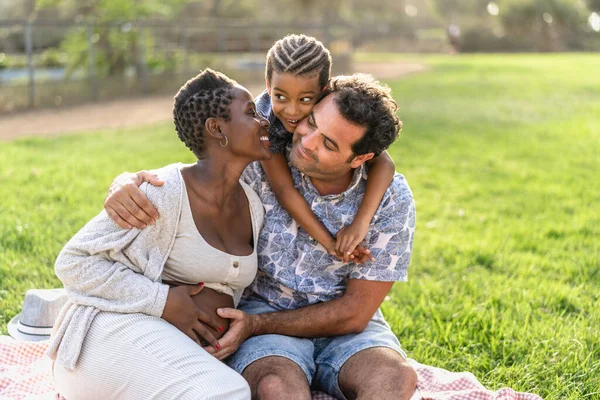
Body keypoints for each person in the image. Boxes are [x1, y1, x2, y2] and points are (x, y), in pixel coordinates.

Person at [105, 72, 418, 399]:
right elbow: (195, 173)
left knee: (395, 379)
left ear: (361, 158)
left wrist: (257, 325)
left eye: (328, 144)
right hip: (262, 314)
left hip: (344, 331)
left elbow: (354, 313)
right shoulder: (260, 159)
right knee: (275, 388)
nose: (307, 141)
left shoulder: (391, 200)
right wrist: (126, 182)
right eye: (311, 123)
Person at [47, 69, 272, 399]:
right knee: (225, 392)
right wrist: (162, 301)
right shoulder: (163, 192)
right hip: (105, 337)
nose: (264, 120)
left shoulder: (253, 205)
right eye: (251, 112)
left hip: (166, 350)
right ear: (217, 128)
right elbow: (73, 262)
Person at [256, 34, 396, 262]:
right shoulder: (263, 124)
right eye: (280, 96)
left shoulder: (334, 101)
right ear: (268, 85)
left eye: (304, 100)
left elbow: (384, 162)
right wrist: (330, 244)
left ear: (323, 91)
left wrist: (360, 223)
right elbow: (284, 189)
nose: (291, 111)